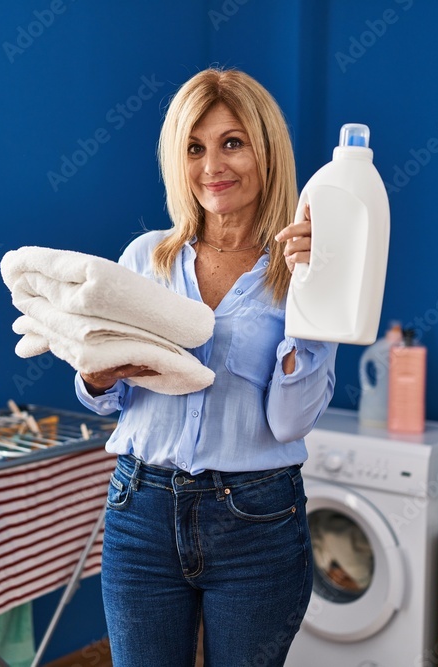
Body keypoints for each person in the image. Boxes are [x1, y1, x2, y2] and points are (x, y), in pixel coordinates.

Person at [75, 68, 337, 666]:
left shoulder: (301, 270)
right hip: (140, 510)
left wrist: (310, 298)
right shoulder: (146, 259)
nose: (212, 165)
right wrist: (98, 376)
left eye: (232, 142)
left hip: (256, 519)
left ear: (266, 150)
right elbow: (103, 394)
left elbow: (291, 420)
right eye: (194, 147)